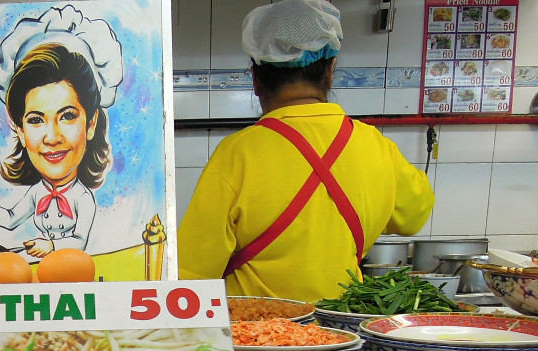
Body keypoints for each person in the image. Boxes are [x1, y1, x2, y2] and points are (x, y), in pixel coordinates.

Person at [177, 0, 434, 302]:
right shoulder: (377, 147)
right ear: (331, 71)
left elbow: (191, 273)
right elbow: (415, 215)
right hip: (339, 334)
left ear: (256, 79)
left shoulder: (238, 154)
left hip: (258, 339)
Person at [0, 5, 122, 258]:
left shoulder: (82, 197)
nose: (52, 137)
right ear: (21, 132)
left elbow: (80, 240)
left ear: (91, 123)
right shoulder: (36, 193)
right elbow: (12, 218)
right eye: (36, 120)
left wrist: (53, 247)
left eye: (68, 116)